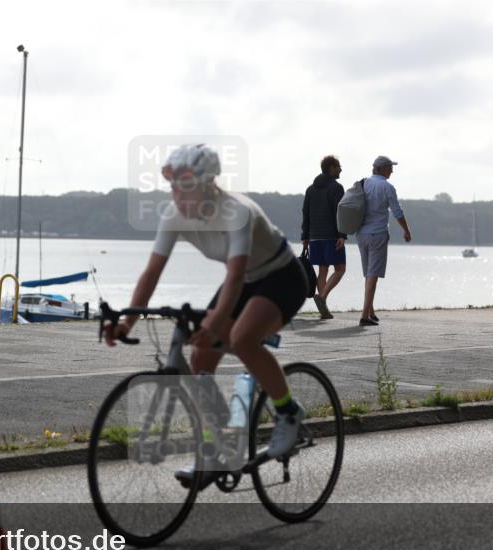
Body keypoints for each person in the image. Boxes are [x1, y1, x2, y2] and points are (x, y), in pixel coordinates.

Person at [104, 144, 307, 484]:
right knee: (200, 355)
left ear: (209, 184)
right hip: (243, 281)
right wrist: (127, 321)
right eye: (172, 188)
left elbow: (235, 274)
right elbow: (152, 273)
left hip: (281, 276)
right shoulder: (173, 215)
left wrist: (214, 323)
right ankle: (214, 450)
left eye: (186, 187)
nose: (177, 196)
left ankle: (288, 411)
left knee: (242, 339)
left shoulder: (236, 212)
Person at [356, 155, 412, 326]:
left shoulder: (364, 183)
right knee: (373, 274)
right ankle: (364, 315)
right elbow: (397, 211)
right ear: (382, 169)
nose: (392, 171)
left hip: (361, 234)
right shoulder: (387, 187)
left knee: (368, 273)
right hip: (377, 234)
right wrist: (406, 230)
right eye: (390, 167)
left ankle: (370, 310)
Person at [301, 155, 346, 319]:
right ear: (332, 168)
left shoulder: (310, 189)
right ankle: (321, 297)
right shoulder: (336, 188)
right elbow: (339, 213)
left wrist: (305, 236)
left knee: (323, 270)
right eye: (339, 166)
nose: (341, 169)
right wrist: (342, 234)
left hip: (314, 237)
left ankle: (323, 309)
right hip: (331, 236)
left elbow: (305, 213)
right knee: (340, 269)